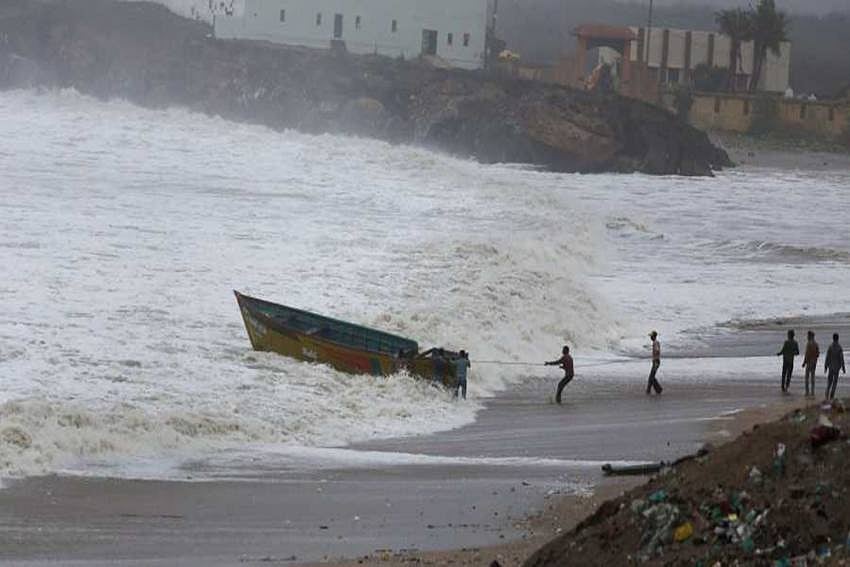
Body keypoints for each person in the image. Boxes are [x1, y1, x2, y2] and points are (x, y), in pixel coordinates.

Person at [824, 333, 845, 401]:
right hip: (837, 367)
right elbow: (841, 358)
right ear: (838, 339)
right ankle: (832, 395)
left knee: (829, 382)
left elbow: (827, 357)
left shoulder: (830, 347)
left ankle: (826, 394)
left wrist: (825, 366)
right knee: (835, 382)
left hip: (830, 367)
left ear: (833, 338)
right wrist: (843, 368)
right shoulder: (839, 347)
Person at [802, 330, 820, 397]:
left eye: (808, 336)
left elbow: (807, 354)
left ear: (810, 336)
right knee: (812, 377)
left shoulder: (809, 344)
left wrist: (804, 362)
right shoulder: (816, 344)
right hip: (814, 362)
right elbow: (818, 354)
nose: (807, 337)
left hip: (809, 362)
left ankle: (807, 392)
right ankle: (812, 392)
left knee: (807, 377)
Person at [646, 331, 663, 395]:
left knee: (651, 377)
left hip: (656, 361)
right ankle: (651, 390)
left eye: (651, 336)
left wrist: (655, 356)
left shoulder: (655, 343)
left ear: (653, 336)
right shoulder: (655, 342)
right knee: (652, 377)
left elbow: (657, 350)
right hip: (655, 361)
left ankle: (658, 389)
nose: (650, 337)